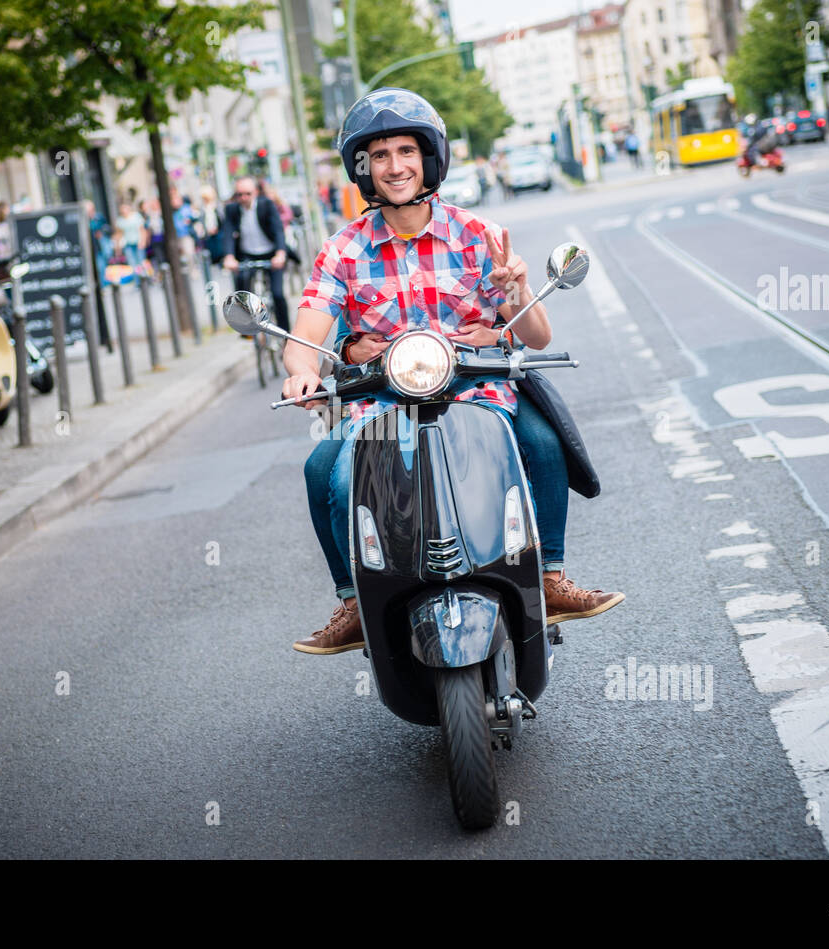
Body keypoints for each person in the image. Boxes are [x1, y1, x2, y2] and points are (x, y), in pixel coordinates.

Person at [282, 87, 623, 655]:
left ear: (429, 158)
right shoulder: (342, 249)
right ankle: (353, 601)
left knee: (539, 442)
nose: (395, 167)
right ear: (362, 168)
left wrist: (513, 286)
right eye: (380, 155)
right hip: (381, 402)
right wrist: (301, 371)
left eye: (407, 152)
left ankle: (548, 576)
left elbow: (537, 336)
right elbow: (306, 332)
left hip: (476, 387)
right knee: (327, 472)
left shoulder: (475, 234)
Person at [221, 176, 290, 331]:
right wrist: (229, 257)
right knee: (242, 290)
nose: (243, 198)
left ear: (256, 192)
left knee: (277, 295)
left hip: (271, 255)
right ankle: (246, 329)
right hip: (247, 255)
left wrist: (280, 253)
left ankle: (286, 333)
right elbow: (227, 233)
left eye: (247, 194)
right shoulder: (232, 209)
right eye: (239, 194)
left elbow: (278, 230)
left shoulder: (267, 205)